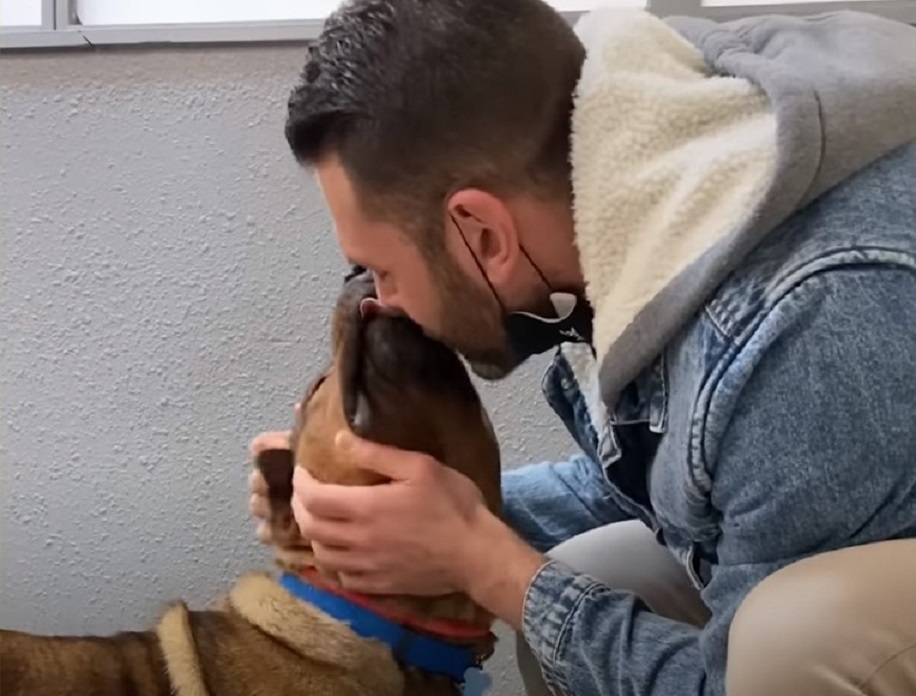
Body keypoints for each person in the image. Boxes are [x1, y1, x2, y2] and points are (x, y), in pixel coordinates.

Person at [248, 1, 916, 694]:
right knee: (591, 574)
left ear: (482, 236)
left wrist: (488, 564)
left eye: (381, 270)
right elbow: (672, 489)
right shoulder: (616, 203)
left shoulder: (801, 332)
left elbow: (733, 685)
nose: (381, 303)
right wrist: (405, 522)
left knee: (789, 640)